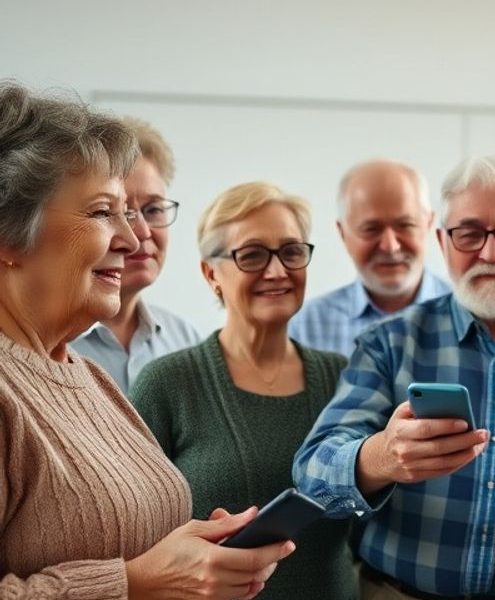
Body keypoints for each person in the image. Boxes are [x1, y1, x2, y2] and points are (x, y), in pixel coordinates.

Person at [0, 81, 291, 599]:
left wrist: (193, 553)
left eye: (137, 212)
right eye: (101, 212)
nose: (132, 239)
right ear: (9, 236)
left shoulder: (85, 378)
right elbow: (135, 575)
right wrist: (138, 582)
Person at [294, 156, 495, 599]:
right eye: (469, 233)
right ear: (443, 242)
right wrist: (380, 458)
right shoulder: (390, 343)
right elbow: (311, 473)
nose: (491, 252)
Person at [131, 181, 357, 599]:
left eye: (291, 251)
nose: (277, 271)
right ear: (210, 272)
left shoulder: (343, 378)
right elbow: (134, 534)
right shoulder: (167, 384)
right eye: (252, 255)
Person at [70, 116, 202, 392]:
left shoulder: (185, 339)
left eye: (154, 210)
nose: (141, 232)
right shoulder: (51, 344)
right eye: (116, 212)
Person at [290, 159, 450, 357]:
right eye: (371, 229)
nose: (390, 246)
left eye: (405, 225)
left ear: (428, 224)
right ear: (343, 233)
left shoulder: (473, 319)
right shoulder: (305, 329)